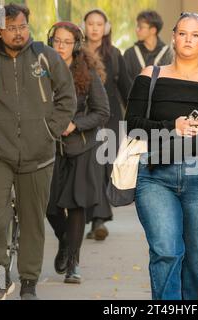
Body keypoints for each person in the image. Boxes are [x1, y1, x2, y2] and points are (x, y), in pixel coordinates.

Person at [0, 3, 77, 300]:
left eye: (22, 26)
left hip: (39, 153)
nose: (19, 33)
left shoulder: (46, 57)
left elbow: (67, 97)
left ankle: (29, 280)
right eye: (11, 28)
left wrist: (50, 130)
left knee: (33, 219)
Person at [125, 12, 198, 300]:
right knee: (165, 251)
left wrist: (172, 150)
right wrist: (170, 126)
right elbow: (132, 125)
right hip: (154, 178)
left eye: (195, 35)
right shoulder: (150, 76)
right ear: (173, 38)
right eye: (183, 33)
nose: (188, 39)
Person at [45, 22, 110, 284]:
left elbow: (102, 112)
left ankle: (73, 262)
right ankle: (65, 242)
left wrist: (75, 124)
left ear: (76, 45)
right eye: (57, 41)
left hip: (81, 147)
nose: (60, 46)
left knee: (76, 205)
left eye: (66, 42)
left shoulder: (87, 74)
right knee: (48, 206)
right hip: (48, 148)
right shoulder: (39, 70)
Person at [83, 9, 132, 241]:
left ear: (106, 28)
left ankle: (99, 220)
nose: (94, 28)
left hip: (111, 120)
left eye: (99, 24)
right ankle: (94, 218)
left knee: (105, 168)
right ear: (84, 27)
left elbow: (125, 89)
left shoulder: (114, 54)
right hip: (84, 118)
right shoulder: (77, 52)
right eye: (90, 23)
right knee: (89, 169)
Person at [124, 10, 173, 81]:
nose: (137, 30)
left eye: (141, 27)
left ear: (153, 30)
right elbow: (126, 83)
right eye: (137, 26)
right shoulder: (130, 53)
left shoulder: (168, 53)